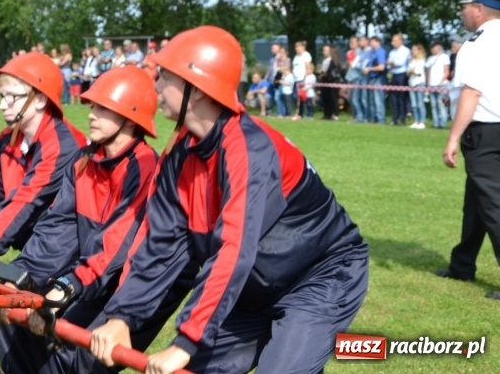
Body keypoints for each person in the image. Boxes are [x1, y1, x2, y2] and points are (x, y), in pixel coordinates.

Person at [89, 25, 368, 374]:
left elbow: (234, 249)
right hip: (253, 288)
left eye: (165, 76)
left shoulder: (248, 150)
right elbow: (158, 245)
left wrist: (186, 341)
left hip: (319, 278)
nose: (156, 86)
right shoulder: (178, 155)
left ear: (199, 89)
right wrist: (122, 316)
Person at [0, 66, 160, 373]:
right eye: (93, 106)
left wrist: (67, 288)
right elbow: (56, 231)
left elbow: (115, 251)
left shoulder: (146, 168)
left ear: (130, 116)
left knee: (75, 358)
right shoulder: (84, 161)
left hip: (126, 287)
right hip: (88, 277)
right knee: (11, 309)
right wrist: (19, 277)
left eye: (103, 108)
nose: (92, 115)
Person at [0, 52, 86, 258]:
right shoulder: (6, 140)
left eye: (11, 97)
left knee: (12, 288)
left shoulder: (61, 146)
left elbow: (26, 200)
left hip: (66, 252)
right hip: (37, 243)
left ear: (39, 100)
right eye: (1, 96)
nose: (3, 105)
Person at [436, 0, 500, 298]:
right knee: (477, 199)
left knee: (493, 204)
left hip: (485, 130)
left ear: (478, 9)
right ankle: (462, 265)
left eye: (464, 7)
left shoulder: (476, 44)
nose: (462, 13)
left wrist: (452, 138)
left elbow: (472, 93)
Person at [386, 33, 411, 126]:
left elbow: (401, 63)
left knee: (402, 98)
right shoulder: (392, 52)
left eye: (395, 41)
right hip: (394, 74)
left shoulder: (406, 51)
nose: (393, 43)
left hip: (402, 75)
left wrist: (392, 63)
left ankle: (402, 118)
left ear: (401, 41)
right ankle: (395, 118)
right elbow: (388, 64)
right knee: (394, 98)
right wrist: (392, 63)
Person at [425, 41, 450, 129]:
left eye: (434, 47)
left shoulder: (444, 57)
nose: (432, 49)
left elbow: (446, 71)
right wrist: (427, 84)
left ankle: (442, 123)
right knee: (434, 105)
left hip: (441, 85)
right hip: (431, 85)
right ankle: (436, 123)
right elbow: (427, 72)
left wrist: (441, 82)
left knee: (441, 105)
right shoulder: (430, 59)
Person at [362, 36, 387, 123]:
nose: (370, 44)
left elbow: (381, 67)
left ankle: (381, 119)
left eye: (372, 42)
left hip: (378, 78)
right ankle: (374, 119)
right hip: (372, 78)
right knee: (372, 100)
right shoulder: (373, 52)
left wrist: (369, 69)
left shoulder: (380, 52)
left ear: (378, 42)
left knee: (378, 100)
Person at [319, 44, 342, 120]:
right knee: (326, 98)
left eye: (326, 50)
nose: (324, 52)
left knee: (333, 98)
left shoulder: (334, 61)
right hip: (325, 82)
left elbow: (332, 72)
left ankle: (335, 114)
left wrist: (324, 74)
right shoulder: (325, 60)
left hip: (333, 81)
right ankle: (327, 114)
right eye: (323, 50)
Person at [407, 43, 427, 129]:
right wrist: (412, 71)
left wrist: (412, 71)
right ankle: (416, 121)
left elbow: (418, 72)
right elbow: (408, 72)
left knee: (420, 103)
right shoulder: (411, 61)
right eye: (412, 49)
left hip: (419, 83)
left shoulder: (422, 61)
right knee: (414, 104)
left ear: (420, 50)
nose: (413, 51)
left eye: (415, 49)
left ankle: (422, 121)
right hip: (411, 83)